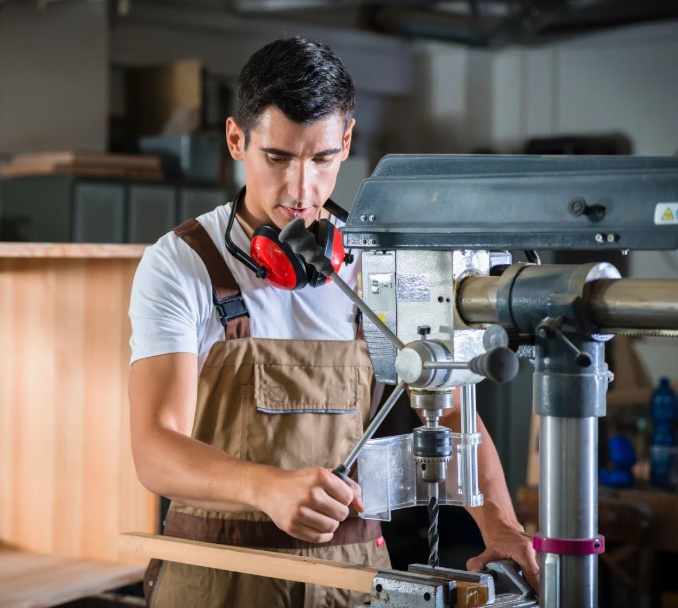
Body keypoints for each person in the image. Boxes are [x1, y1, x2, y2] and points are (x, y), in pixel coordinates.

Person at [128, 36, 538, 608]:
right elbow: (154, 447)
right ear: (235, 139)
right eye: (277, 158)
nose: (301, 191)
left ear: (346, 142)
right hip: (217, 578)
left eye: (322, 159)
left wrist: (500, 525)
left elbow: (446, 404)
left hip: (355, 579)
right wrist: (266, 487)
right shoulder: (184, 264)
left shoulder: (381, 267)